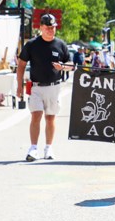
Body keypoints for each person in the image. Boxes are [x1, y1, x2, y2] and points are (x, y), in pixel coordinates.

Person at [17, 13, 74, 162]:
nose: (51, 30)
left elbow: (71, 65)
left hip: (54, 87)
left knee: (50, 118)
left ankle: (48, 147)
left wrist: (63, 67)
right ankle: (33, 148)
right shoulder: (32, 45)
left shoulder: (60, 45)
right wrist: (19, 86)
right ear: (41, 27)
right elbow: (21, 64)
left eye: (53, 27)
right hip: (36, 87)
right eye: (48, 27)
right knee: (36, 116)